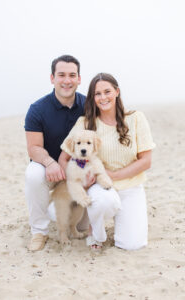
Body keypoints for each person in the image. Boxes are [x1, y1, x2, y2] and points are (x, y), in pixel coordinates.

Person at [58, 73, 156, 250]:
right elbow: (63, 158)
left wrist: (113, 175)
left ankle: (113, 221)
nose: (103, 97)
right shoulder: (85, 122)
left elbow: (146, 161)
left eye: (107, 91)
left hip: (130, 186)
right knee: (103, 202)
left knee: (132, 245)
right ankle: (94, 231)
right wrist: (80, 180)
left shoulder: (135, 118)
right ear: (92, 98)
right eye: (97, 94)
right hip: (100, 186)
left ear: (117, 92)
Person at [24, 55, 89, 251]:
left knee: (80, 227)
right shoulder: (37, 109)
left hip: (79, 170)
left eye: (72, 75)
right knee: (33, 175)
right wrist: (50, 163)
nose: (67, 80)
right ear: (52, 78)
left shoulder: (89, 106)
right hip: (51, 169)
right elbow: (33, 147)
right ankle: (39, 231)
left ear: (79, 78)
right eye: (61, 75)